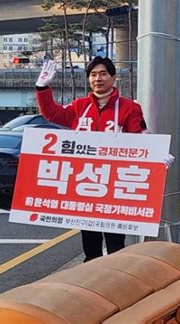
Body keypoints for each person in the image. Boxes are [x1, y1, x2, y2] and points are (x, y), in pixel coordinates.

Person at [35, 56, 149, 262]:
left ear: (113, 78)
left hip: (114, 188)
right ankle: (90, 286)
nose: (98, 78)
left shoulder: (129, 108)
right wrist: (42, 87)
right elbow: (52, 114)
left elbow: (140, 141)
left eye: (103, 73)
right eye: (93, 74)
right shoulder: (80, 107)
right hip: (86, 186)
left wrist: (157, 158)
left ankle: (116, 284)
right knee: (90, 245)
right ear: (88, 79)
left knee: (116, 245)